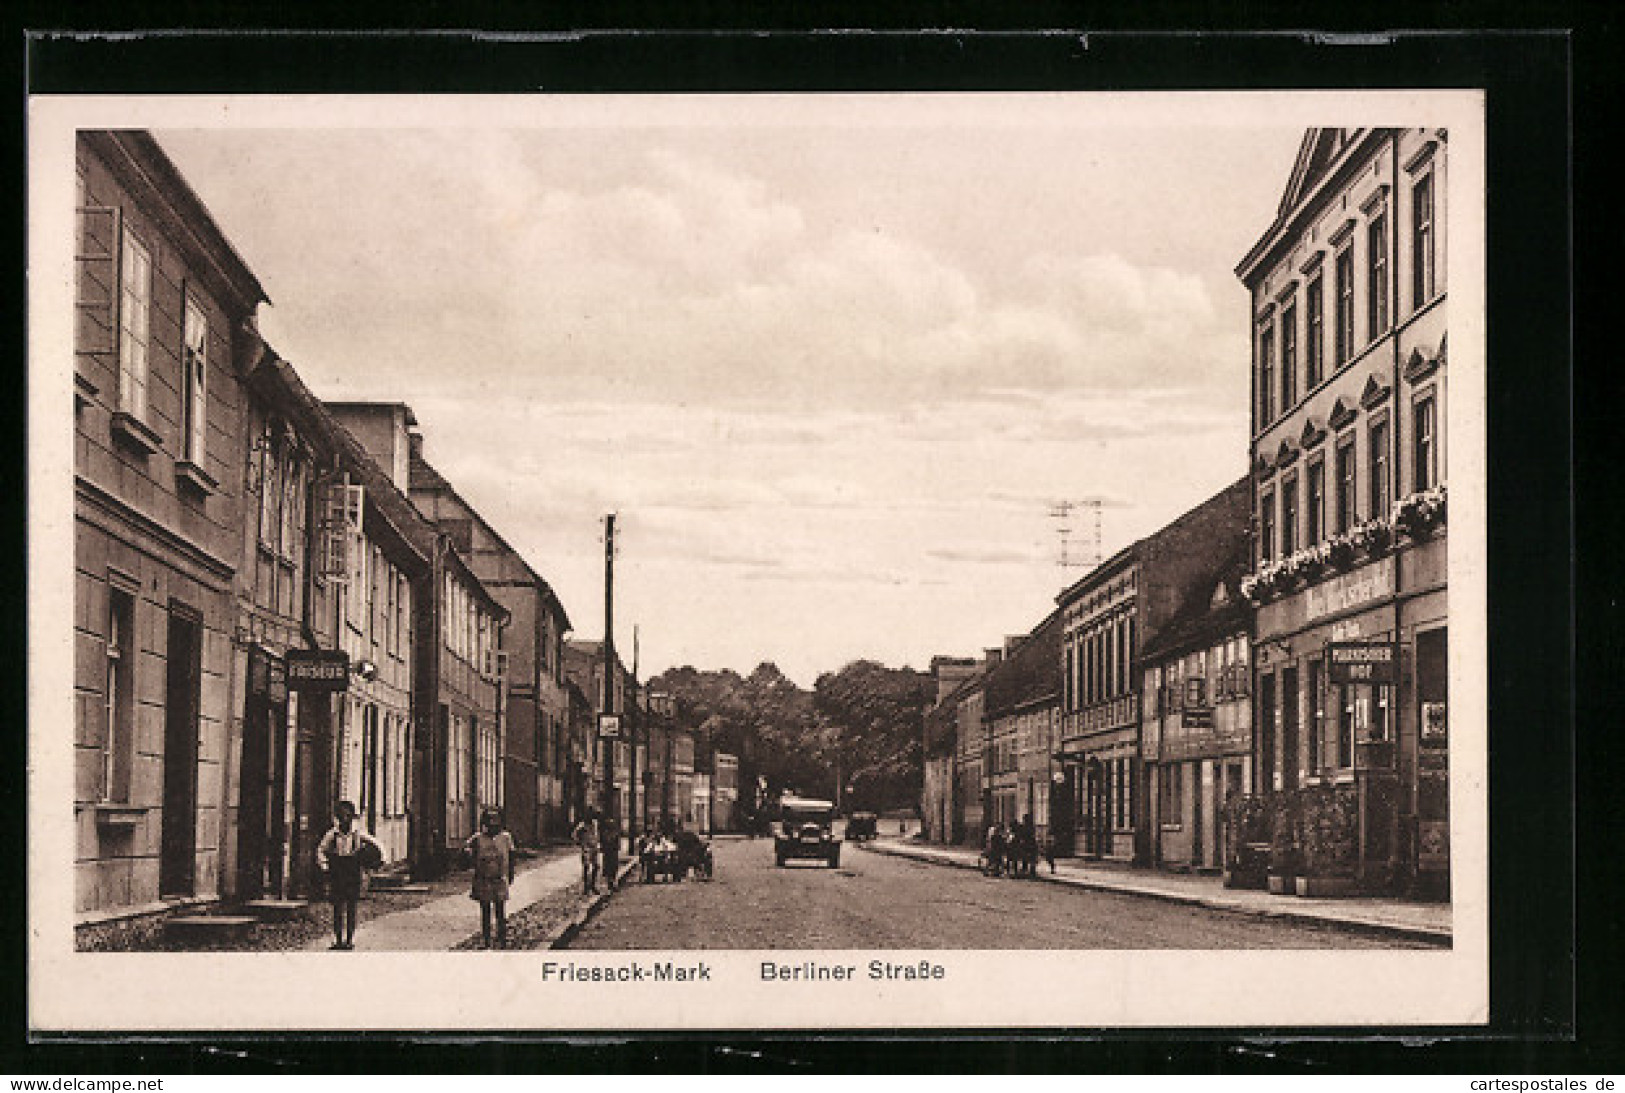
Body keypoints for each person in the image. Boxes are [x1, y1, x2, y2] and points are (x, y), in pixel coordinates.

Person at [316, 800, 382, 951]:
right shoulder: (332, 834)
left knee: (351, 906)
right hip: (338, 871)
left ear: (352, 817)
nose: (344, 818)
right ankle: (338, 940)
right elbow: (321, 849)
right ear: (337, 817)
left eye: (348, 815)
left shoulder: (358, 834)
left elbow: (376, 844)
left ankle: (349, 939)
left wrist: (380, 860)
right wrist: (325, 866)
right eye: (341, 815)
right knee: (337, 907)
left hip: (352, 872)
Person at [464, 807, 516, 949]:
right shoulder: (478, 838)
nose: (493, 823)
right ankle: (486, 939)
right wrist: (469, 853)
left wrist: (511, 873)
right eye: (490, 820)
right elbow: (467, 850)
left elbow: (511, 856)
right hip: (483, 879)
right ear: (485, 822)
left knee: (500, 909)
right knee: (485, 910)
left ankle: (502, 937)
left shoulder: (506, 838)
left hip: (499, 878)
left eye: (496, 820)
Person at [571, 809, 601, 894]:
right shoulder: (582, 825)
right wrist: (580, 843)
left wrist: (597, 842)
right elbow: (574, 835)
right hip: (586, 848)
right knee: (586, 866)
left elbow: (597, 834)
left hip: (594, 848)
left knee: (596, 866)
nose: (591, 818)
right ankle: (586, 887)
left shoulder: (595, 824)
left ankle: (593, 885)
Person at [600, 814, 622, 891]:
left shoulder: (614, 834)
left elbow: (618, 844)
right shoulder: (605, 834)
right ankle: (610, 883)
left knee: (613, 868)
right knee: (608, 868)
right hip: (608, 853)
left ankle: (612, 882)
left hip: (612, 853)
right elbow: (603, 844)